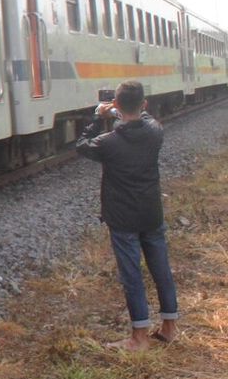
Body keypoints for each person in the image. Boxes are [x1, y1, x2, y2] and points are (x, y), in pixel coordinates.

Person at [75, 80, 178, 350]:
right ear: (144, 105)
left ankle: (139, 337)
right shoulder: (156, 131)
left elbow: (81, 145)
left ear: (117, 105)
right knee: (161, 270)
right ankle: (169, 327)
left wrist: (98, 117)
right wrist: (122, 111)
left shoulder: (107, 142)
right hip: (151, 213)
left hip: (123, 218)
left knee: (132, 274)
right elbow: (144, 118)